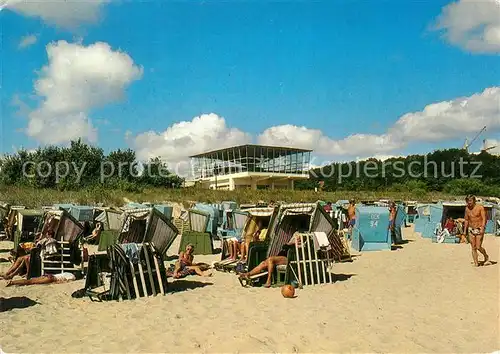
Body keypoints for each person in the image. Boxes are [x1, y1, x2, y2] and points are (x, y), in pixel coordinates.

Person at [464, 195, 490, 267]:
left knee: (478, 246)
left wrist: (482, 227)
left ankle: (486, 256)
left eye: (470, 201)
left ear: (474, 201)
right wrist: (464, 231)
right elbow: (466, 220)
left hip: (479, 228)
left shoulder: (480, 207)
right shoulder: (467, 209)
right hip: (471, 229)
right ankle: (476, 262)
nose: (468, 203)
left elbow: (484, 218)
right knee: (473, 247)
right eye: (467, 201)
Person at [5, 272, 76, 287]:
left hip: (50, 275)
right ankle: (13, 282)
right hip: (51, 278)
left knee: (31, 280)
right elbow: (66, 281)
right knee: (31, 282)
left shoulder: (68, 273)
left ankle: (16, 282)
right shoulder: (72, 277)